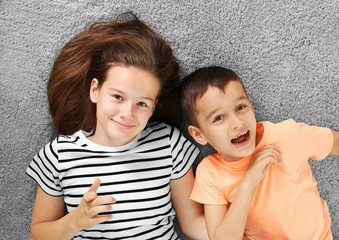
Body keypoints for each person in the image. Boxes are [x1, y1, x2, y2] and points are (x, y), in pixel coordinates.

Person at [26, 16, 208, 240]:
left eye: (141, 103)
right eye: (117, 96)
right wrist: (74, 222)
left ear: (153, 108)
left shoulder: (168, 143)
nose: (127, 114)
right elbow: (40, 231)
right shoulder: (59, 154)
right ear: (95, 90)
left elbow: (192, 223)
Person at [179, 66, 339, 240]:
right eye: (218, 118)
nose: (237, 123)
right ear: (199, 134)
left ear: (251, 106)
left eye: (241, 107)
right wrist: (248, 181)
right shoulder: (211, 173)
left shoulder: (287, 135)